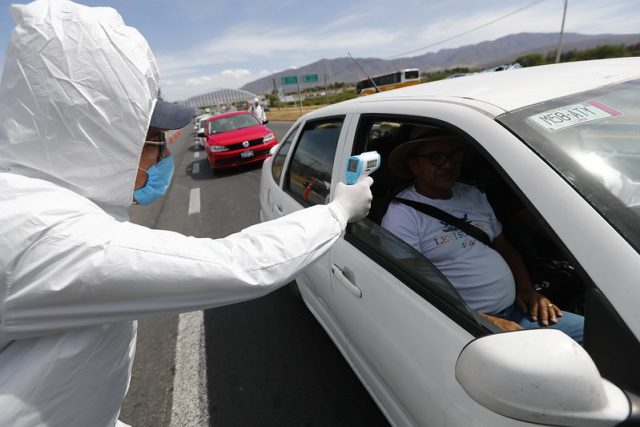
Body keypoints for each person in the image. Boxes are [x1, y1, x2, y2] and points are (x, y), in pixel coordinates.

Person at [0, 1, 373, 426]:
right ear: (95, 135)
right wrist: (338, 211)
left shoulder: (35, 203)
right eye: (153, 137)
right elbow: (239, 265)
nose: (163, 153)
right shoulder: (45, 233)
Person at [381, 133, 584, 342]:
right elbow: (408, 285)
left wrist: (527, 289)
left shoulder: (472, 194)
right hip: (465, 324)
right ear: (415, 166)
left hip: (518, 310)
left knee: (594, 333)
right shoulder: (402, 215)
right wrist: (481, 320)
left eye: (454, 156)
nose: (448, 164)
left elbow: (504, 247)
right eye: (437, 158)